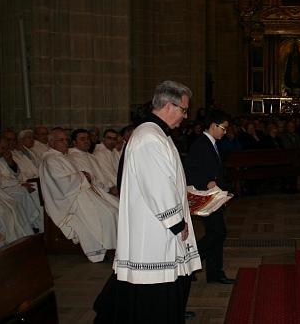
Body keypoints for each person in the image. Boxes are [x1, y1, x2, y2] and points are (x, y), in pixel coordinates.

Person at [94, 80, 200, 323]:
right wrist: (176, 221)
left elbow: (167, 177)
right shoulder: (149, 137)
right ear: (168, 106)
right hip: (153, 230)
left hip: (156, 225)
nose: (185, 116)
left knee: (164, 284)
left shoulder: (155, 133)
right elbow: (157, 186)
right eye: (184, 110)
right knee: (152, 289)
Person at [39, 128, 118, 262]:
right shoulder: (51, 160)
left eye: (66, 140)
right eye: (61, 140)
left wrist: (81, 176)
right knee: (106, 214)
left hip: (78, 192)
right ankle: (99, 251)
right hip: (67, 199)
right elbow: (63, 183)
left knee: (115, 209)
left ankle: (109, 247)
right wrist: (82, 176)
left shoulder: (62, 157)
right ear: (51, 143)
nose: (65, 143)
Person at [183, 109, 236, 285]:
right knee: (218, 233)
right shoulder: (200, 145)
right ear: (214, 125)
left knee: (217, 234)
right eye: (223, 128)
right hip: (205, 197)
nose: (225, 131)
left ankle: (214, 273)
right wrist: (206, 182)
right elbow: (188, 170)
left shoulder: (211, 143)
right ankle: (189, 264)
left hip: (213, 198)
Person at [68, 129, 119, 199]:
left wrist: (111, 185)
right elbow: (91, 179)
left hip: (104, 189)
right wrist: (109, 190)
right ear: (74, 142)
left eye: (88, 138)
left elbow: (103, 174)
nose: (86, 141)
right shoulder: (75, 157)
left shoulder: (90, 156)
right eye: (82, 139)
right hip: (94, 194)